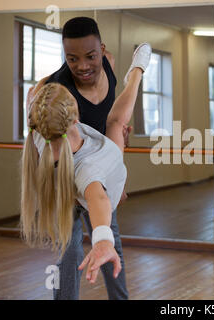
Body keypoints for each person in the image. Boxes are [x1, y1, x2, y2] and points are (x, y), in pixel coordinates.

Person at [23, 16, 151, 300]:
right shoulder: (58, 92)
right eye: (72, 59)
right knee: (69, 252)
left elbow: (99, 196)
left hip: (98, 154)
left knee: (110, 243)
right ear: (75, 116)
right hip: (80, 165)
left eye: (90, 56)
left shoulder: (107, 63)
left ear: (101, 51)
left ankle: (137, 72)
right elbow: (97, 195)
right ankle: (139, 71)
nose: (82, 66)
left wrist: (113, 188)